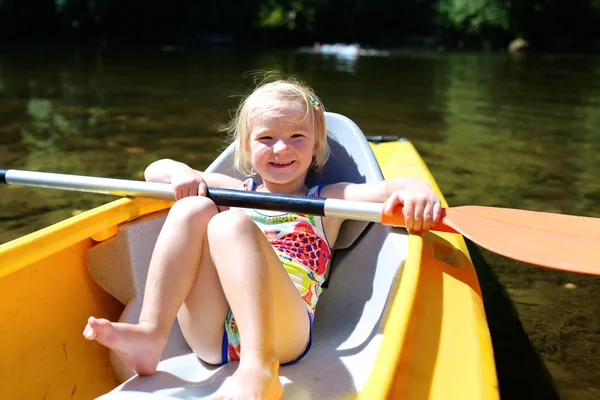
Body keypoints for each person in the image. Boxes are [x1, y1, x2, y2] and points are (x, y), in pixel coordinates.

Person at [82, 76, 442, 400]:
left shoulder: (326, 199)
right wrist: (179, 173)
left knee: (229, 225)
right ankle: (150, 336)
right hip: (213, 337)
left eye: (296, 137)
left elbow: (393, 188)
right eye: (266, 138)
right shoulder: (236, 190)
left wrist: (416, 193)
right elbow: (154, 171)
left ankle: (258, 367)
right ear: (247, 148)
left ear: (316, 145)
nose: (281, 149)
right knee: (192, 208)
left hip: (283, 336)